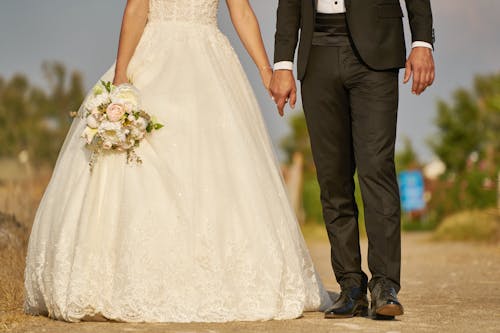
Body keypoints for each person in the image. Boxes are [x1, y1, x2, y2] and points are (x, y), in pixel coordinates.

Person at [24, 0, 332, 322]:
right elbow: (136, 9)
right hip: (155, 55)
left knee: (216, 170)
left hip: (209, 63)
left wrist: (266, 70)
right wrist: (120, 75)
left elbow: (240, 10)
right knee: (141, 165)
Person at [270, 0, 435, 319]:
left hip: (377, 50)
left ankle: (385, 285)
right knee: (332, 178)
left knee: (377, 169)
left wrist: (422, 41)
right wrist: (283, 64)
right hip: (316, 50)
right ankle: (351, 286)